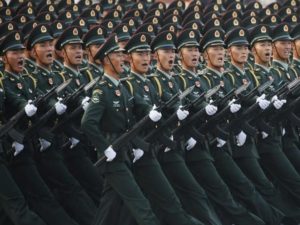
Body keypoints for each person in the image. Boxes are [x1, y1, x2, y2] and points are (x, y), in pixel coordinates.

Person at [81, 33, 161, 225]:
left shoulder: (120, 87)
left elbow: (136, 105)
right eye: (117, 55)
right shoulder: (102, 89)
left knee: (109, 206)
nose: (122, 58)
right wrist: (104, 147)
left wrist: (151, 111)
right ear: (106, 60)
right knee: (140, 204)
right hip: (112, 155)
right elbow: (87, 122)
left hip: (122, 153)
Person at [0, 30, 79, 225]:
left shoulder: (27, 80)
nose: (19, 57)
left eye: (20, 52)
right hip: (13, 148)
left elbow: (23, 102)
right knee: (21, 202)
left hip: (22, 146)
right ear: (4, 58)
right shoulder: (4, 81)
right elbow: (14, 104)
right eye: (14, 53)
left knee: (24, 200)